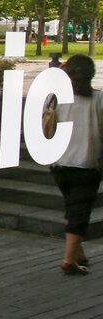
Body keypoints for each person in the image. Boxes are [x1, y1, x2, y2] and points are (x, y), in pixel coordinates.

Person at [50, 54, 103, 275]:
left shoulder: (54, 98)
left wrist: (61, 70)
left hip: (59, 165)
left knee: (74, 208)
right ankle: (69, 261)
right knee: (79, 212)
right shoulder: (98, 99)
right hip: (86, 164)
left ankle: (78, 253)